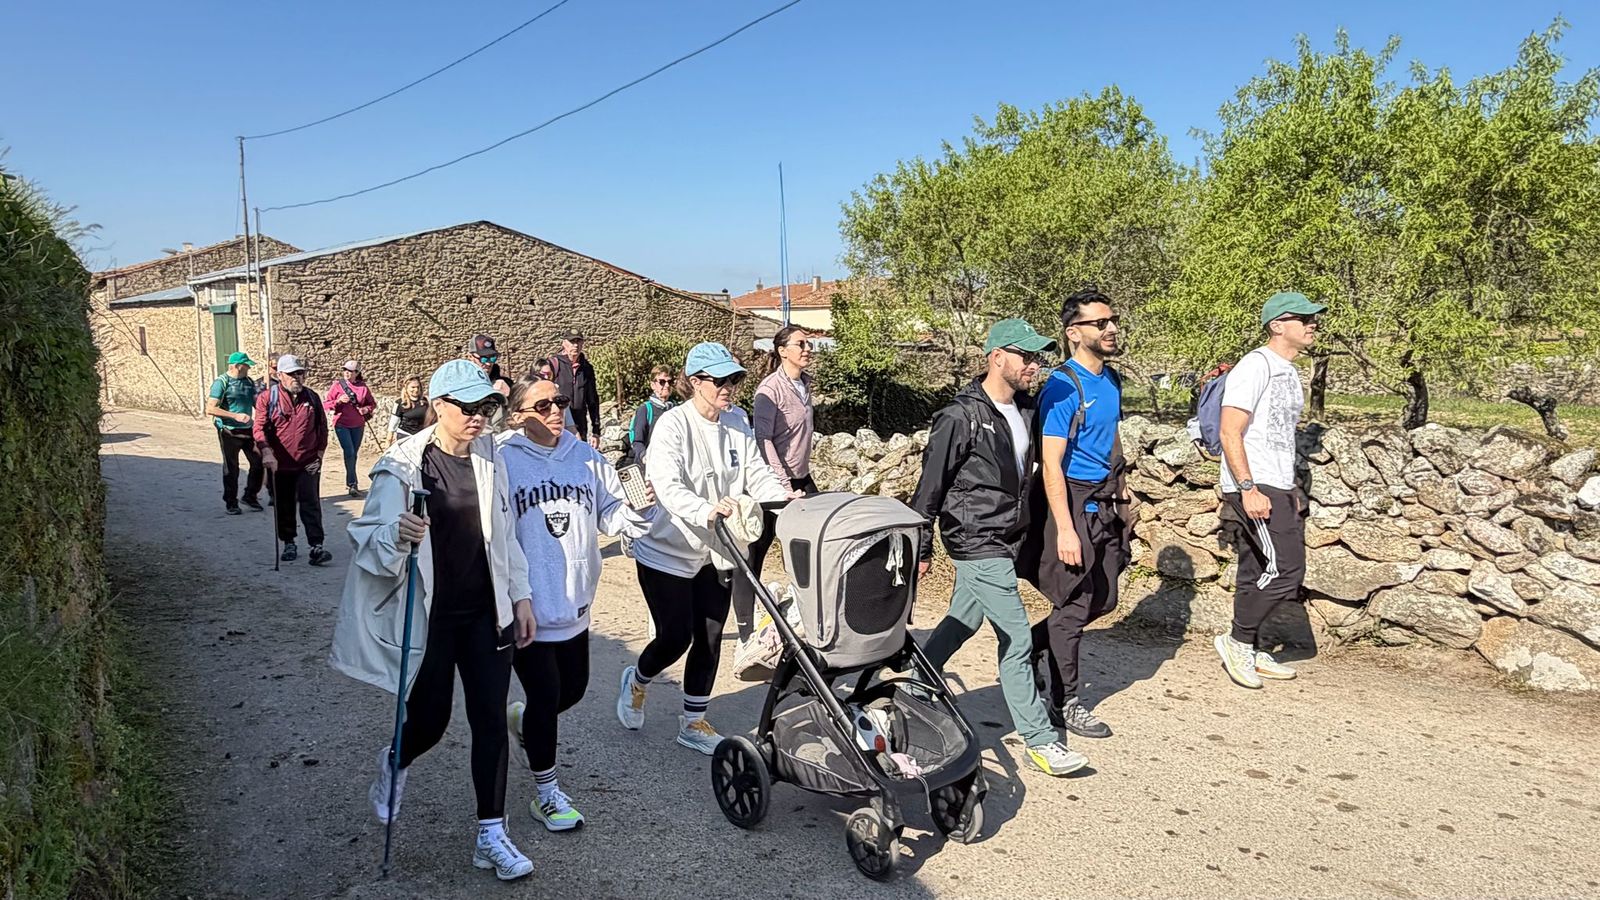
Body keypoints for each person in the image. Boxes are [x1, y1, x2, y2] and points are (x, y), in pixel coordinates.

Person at [330, 359, 537, 881]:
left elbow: (506, 533)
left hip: (485, 614)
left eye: (485, 407)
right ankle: (396, 759)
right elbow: (366, 539)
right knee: (431, 721)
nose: (478, 417)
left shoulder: (492, 456)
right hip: (429, 617)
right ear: (438, 406)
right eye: (466, 408)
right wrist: (395, 537)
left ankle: (491, 834)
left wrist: (522, 597)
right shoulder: (402, 466)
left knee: (490, 719)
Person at [911, 319, 1087, 777]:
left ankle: (917, 681)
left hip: (1006, 536)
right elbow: (930, 486)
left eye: (1036, 357)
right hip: (974, 538)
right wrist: (922, 544)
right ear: (996, 357)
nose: (1033, 365)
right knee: (1016, 637)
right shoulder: (959, 416)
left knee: (961, 621)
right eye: (1025, 356)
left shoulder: (1025, 410)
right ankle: (1040, 740)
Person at [614, 342, 795, 754]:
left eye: (734, 379)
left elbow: (756, 473)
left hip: (719, 548)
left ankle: (693, 722)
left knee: (710, 635)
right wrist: (706, 509)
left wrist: (783, 503)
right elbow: (667, 484)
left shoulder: (737, 422)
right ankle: (638, 680)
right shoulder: (673, 425)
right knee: (675, 636)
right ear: (695, 382)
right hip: (667, 550)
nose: (729, 387)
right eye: (720, 380)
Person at [499, 376, 654, 831]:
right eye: (543, 404)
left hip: (575, 601)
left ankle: (524, 720)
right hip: (527, 605)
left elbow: (608, 511)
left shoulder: (586, 456)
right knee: (547, 696)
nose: (556, 411)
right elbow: (498, 535)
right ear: (518, 415)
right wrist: (515, 594)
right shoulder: (504, 461)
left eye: (560, 401)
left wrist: (637, 514)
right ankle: (546, 793)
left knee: (574, 690)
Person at [1028, 290, 1129, 740]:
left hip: (1106, 500)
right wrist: (1065, 528)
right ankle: (1064, 701)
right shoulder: (1062, 387)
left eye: (1113, 321)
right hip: (1069, 501)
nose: (1110, 329)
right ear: (1073, 333)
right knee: (1072, 605)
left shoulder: (1112, 381)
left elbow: (1111, 442)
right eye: (1100, 323)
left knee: (1104, 600)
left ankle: (1029, 646)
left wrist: (1124, 499)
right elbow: (1051, 463)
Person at [1214, 292, 1324, 689]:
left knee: (1257, 568)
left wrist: (1290, 484)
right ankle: (1237, 640)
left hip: (1276, 483)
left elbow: (1278, 436)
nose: (1313, 324)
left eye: (1314, 319)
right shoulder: (1255, 366)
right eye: (1304, 318)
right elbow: (1230, 431)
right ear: (1277, 325)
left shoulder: (1289, 372)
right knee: (1287, 569)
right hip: (1254, 485)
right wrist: (1247, 488)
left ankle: (1251, 646)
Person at [733, 326, 817, 639]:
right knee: (754, 553)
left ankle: (807, 620)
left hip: (802, 479)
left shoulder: (806, 385)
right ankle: (745, 631)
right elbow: (763, 439)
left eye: (808, 344)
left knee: (812, 549)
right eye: (801, 344)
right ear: (782, 351)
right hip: (771, 485)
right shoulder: (770, 390)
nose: (807, 349)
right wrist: (781, 486)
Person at [254, 354, 332, 566]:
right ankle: (289, 541)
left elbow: (322, 428)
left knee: (311, 503)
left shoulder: (312, 398)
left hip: (308, 461)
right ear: (280, 375)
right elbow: (259, 428)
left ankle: (317, 546)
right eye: (291, 374)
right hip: (280, 464)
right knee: (284, 504)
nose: (297, 377)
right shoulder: (266, 398)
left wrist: (319, 455)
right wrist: (266, 452)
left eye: (300, 373)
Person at [207, 350, 263, 515]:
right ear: (238, 366)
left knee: (259, 462)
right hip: (228, 431)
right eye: (247, 366)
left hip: (248, 429)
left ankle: (250, 496)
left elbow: (255, 403)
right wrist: (235, 416)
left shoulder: (248, 381)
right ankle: (231, 502)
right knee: (232, 468)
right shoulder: (221, 382)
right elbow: (210, 408)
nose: (249, 368)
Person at [325, 360, 377, 497]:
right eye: (345, 370)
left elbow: (372, 404)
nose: (347, 373)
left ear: (357, 373)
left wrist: (366, 409)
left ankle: (352, 482)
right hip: (341, 424)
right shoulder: (337, 386)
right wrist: (338, 401)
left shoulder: (363, 388)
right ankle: (352, 484)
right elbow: (326, 404)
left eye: (350, 371)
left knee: (354, 454)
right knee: (349, 452)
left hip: (358, 425)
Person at [547, 330, 601, 447]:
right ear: (564, 343)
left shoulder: (586, 368)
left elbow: (593, 400)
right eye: (572, 342)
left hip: (580, 425)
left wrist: (596, 431)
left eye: (579, 341)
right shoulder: (553, 365)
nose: (576, 345)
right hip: (559, 423)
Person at [623, 365, 676, 467]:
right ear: (653, 385)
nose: (667, 385)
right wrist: (644, 456)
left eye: (670, 381)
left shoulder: (676, 409)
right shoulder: (645, 410)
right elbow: (637, 441)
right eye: (662, 382)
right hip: (649, 466)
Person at [387, 374, 427, 447]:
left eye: (418, 387)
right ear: (406, 388)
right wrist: (388, 442)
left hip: (422, 437)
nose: (416, 390)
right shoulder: (400, 403)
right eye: (413, 387)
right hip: (405, 437)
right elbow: (393, 423)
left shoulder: (426, 402)